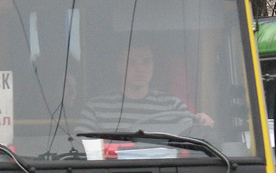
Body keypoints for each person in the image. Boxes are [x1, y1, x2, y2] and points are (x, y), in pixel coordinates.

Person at [77, 44, 212, 134]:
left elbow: (193, 139)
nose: (140, 69)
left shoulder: (173, 105)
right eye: (132, 62)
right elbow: (79, 147)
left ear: (153, 66)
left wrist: (202, 124)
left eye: (146, 61)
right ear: (119, 66)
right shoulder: (96, 108)